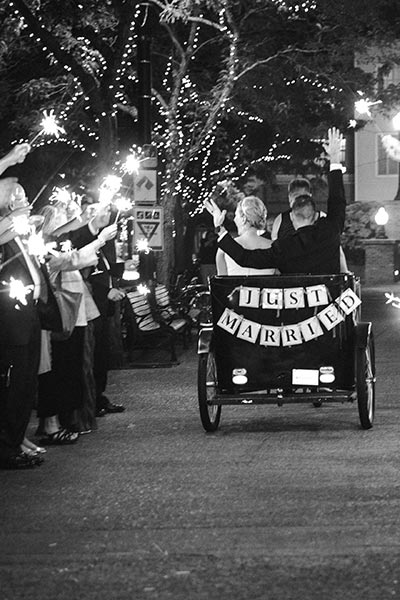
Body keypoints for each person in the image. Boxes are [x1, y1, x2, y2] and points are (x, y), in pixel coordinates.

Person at [204, 128, 346, 275]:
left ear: (292, 218)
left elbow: (245, 258)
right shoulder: (330, 231)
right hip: (330, 296)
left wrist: (220, 228)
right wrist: (335, 159)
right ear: (315, 216)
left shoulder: (285, 247)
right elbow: (338, 200)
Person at [0, 143, 59, 469]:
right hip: (11, 316)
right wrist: (8, 160)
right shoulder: (7, 231)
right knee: (14, 381)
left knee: (26, 383)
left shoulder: (19, 232)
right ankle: (8, 445)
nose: (24, 200)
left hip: (30, 313)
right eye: (18, 196)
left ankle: (17, 436)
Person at [271, 174, 348, 272]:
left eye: (304, 197)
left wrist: (344, 271)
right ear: (289, 197)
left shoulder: (322, 218)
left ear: (310, 196)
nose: (301, 200)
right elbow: (275, 251)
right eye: (297, 196)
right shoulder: (281, 220)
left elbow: (336, 247)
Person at [216, 195, 277, 276]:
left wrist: (218, 227)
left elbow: (221, 284)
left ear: (243, 218)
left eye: (236, 215)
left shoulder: (224, 248)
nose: (234, 219)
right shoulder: (275, 247)